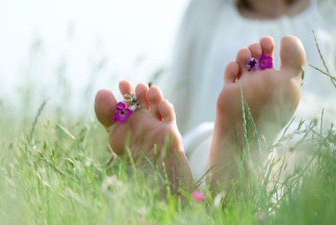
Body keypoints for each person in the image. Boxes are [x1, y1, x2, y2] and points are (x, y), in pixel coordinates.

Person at [94, 35, 305, 197]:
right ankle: (238, 180)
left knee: (299, 159)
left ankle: (191, 194)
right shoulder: (205, 10)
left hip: (201, 141)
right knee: (300, 164)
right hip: (210, 140)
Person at [167, 0, 336, 179]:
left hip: (311, 144)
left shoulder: (329, 11)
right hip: (212, 140)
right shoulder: (207, 11)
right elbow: (182, 93)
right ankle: (236, 164)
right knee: (204, 145)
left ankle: (241, 174)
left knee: (305, 155)